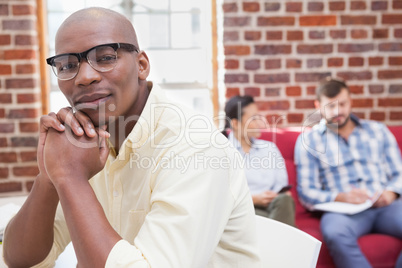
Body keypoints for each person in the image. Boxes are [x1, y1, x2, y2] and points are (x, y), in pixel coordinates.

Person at [3, 7, 260, 267]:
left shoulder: (196, 147)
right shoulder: (82, 146)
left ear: (142, 66)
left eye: (104, 58)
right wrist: (49, 177)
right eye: (68, 65)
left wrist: (70, 178)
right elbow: (18, 260)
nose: (85, 77)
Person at [294, 77, 402, 268]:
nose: (338, 112)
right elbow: (307, 193)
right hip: (344, 212)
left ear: (351, 100)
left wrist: (391, 193)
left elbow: (399, 173)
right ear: (318, 106)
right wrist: (340, 197)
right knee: (335, 232)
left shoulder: (378, 131)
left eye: (342, 104)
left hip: (386, 205)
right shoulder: (309, 141)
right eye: (330, 106)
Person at [222, 95, 295, 227]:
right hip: (243, 209)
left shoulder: (270, 149)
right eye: (253, 119)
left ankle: (272, 237)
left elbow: (281, 186)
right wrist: (254, 199)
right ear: (235, 123)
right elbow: (220, 196)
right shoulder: (222, 152)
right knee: (275, 222)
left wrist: (278, 194)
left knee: (285, 201)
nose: (260, 124)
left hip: (273, 207)